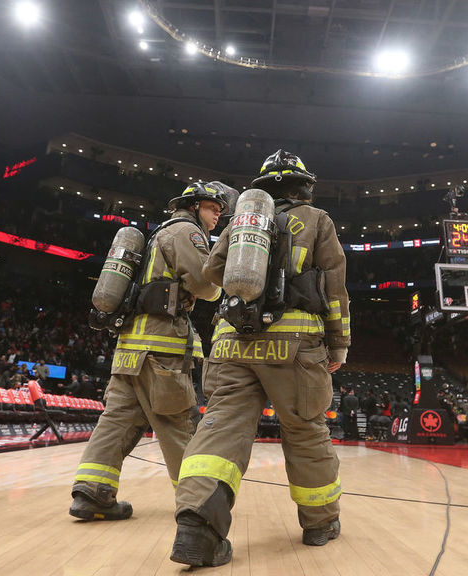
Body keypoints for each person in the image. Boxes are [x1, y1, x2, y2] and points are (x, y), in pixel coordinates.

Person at [171, 150, 350, 567]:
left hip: (232, 343)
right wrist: (339, 344)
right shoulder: (318, 220)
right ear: (304, 185)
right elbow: (336, 293)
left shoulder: (240, 220)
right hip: (296, 347)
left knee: (220, 428)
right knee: (305, 430)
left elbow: (214, 272)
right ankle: (319, 523)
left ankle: (198, 527)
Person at [68, 181, 228, 521]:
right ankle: (197, 505)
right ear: (196, 204)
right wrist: (219, 280)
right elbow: (205, 286)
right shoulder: (187, 232)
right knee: (177, 421)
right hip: (162, 349)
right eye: (215, 209)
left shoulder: (157, 234)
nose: (218, 216)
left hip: (128, 348)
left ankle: (92, 493)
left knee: (116, 421)